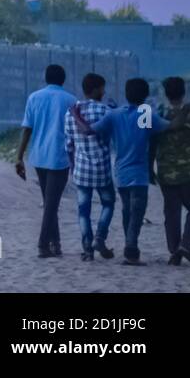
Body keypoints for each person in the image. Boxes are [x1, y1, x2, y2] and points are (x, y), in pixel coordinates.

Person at [90, 77, 170, 265]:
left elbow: (91, 130)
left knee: (127, 211)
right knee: (137, 213)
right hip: (139, 174)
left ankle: (130, 248)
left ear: (126, 94)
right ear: (145, 95)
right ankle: (131, 248)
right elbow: (166, 127)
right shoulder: (145, 114)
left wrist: (77, 117)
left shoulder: (114, 114)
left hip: (121, 174)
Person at [16, 63, 78, 258]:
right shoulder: (71, 100)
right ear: (63, 79)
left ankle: (55, 243)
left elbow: (27, 129)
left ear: (46, 78)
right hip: (60, 157)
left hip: (39, 156)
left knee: (49, 202)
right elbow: (76, 132)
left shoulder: (34, 97)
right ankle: (43, 244)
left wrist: (19, 157)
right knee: (51, 204)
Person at [63, 72, 116, 261]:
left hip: (81, 170)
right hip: (102, 169)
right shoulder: (106, 112)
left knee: (83, 211)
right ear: (96, 89)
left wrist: (72, 165)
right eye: (102, 88)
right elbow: (111, 138)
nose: (104, 91)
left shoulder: (71, 112)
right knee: (108, 203)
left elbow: (69, 144)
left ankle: (87, 248)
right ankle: (100, 237)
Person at [150, 77, 190, 265]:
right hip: (189, 172)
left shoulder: (158, 112)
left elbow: (150, 141)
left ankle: (174, 252)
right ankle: (185, 243)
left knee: (171, 212)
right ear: (183, 92)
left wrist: (148, 166)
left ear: (166, 93)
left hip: (165, 171)